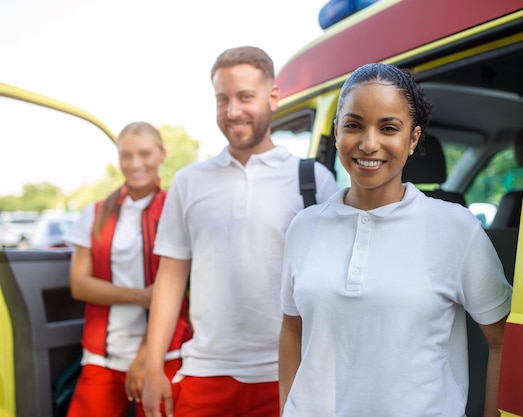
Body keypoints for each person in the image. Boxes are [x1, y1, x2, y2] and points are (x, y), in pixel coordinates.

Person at [278, 63, 512, 417]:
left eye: (388, 128)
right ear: (337, 131)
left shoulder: (455, 228)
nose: (369, 144)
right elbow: (292, 328)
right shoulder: (303, 226)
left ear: (413, 139)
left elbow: (502, 340)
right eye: (354, 125)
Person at [142, 46, 338, 417]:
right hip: (204, 372)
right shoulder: (189, 182)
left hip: (288, 374)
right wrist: (154, 368)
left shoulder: (314, 180)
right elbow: (170, 278)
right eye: (222, 100)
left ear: (273, 97)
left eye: (245, 97)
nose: (233, 112)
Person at [64, 121, 192, 417]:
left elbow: (179, 285)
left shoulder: (177, 207)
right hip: (103, 356)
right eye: (126, 155)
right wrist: (141, 296)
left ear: (162, 154)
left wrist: (146, 358)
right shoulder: (95, 213)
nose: (135, 164)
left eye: (145, 154)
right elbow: (79, 285)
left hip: (165, 354)